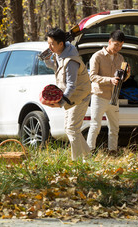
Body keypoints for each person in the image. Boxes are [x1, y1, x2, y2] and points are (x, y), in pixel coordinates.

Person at [44, 27, 92, 161]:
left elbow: (72, 85)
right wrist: (46, 59)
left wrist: (61, 102)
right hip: (71, 97)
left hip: (80, 96)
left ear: (61, 44)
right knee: (70, 128)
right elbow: (57, 68)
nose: (50, 47)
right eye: (48, 43)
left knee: (72, 129)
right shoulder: (59, 54)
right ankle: (87, 157)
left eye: (52, 44)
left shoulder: (71, 60)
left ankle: (76, 162)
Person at [86, 30, 126, 153]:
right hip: (99, 96)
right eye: (116, 45)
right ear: (109, 42)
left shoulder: (121, 58)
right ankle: (89, 152)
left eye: (120, 45)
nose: (118, 48)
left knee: (114, 127)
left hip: (114, 97)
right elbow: (92, 76)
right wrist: (110, 80)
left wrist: (127, 75)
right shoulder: (97, 56)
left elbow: (120, 79)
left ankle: (112, 151)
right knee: (95, 125)